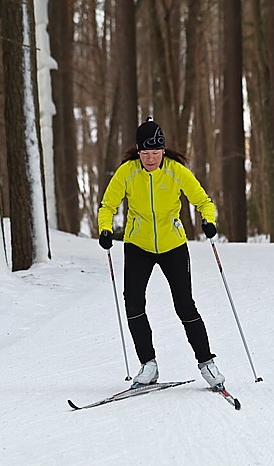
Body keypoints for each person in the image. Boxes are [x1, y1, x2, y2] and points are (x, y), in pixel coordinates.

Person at [97, 117, 225, 389]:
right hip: (137, 245)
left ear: (163, 151)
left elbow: (203, 201)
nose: (151, 159)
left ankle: (207, 363)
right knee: (133, 303)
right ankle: (148, 365)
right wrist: (105, 229)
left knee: (185, 305)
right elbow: (107, 205)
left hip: (173, 246)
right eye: (146, 153)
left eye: (155, 153)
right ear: (138, 151)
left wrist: (208, 220)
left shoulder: (176, 171)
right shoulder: (127, 172)